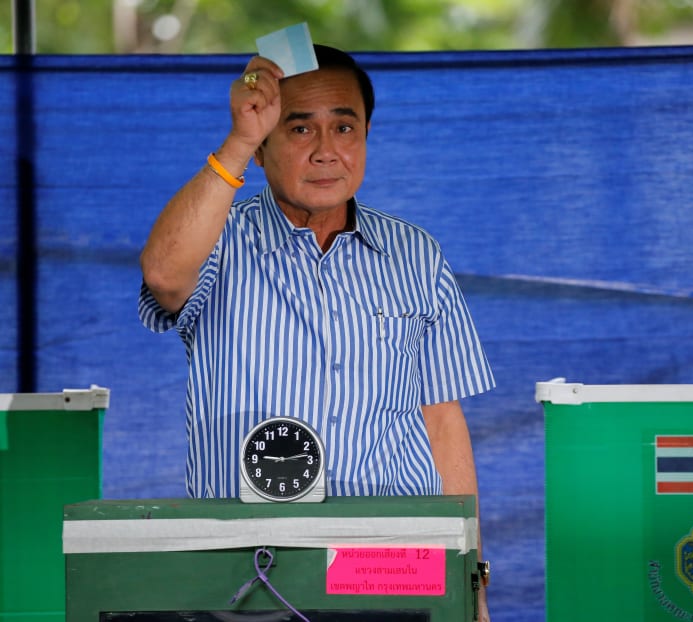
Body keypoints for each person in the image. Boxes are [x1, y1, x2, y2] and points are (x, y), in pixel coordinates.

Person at [138, 44, 494, 618]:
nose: (327, 151)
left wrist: (472, 578)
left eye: (344, 127)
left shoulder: (416, 255)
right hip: (250, 573)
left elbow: (443, 422)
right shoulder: (221, 240)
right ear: (263, 147)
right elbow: (162, 275)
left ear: (366, 135)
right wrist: (237, 140)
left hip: (390, 568)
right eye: (299, 128)